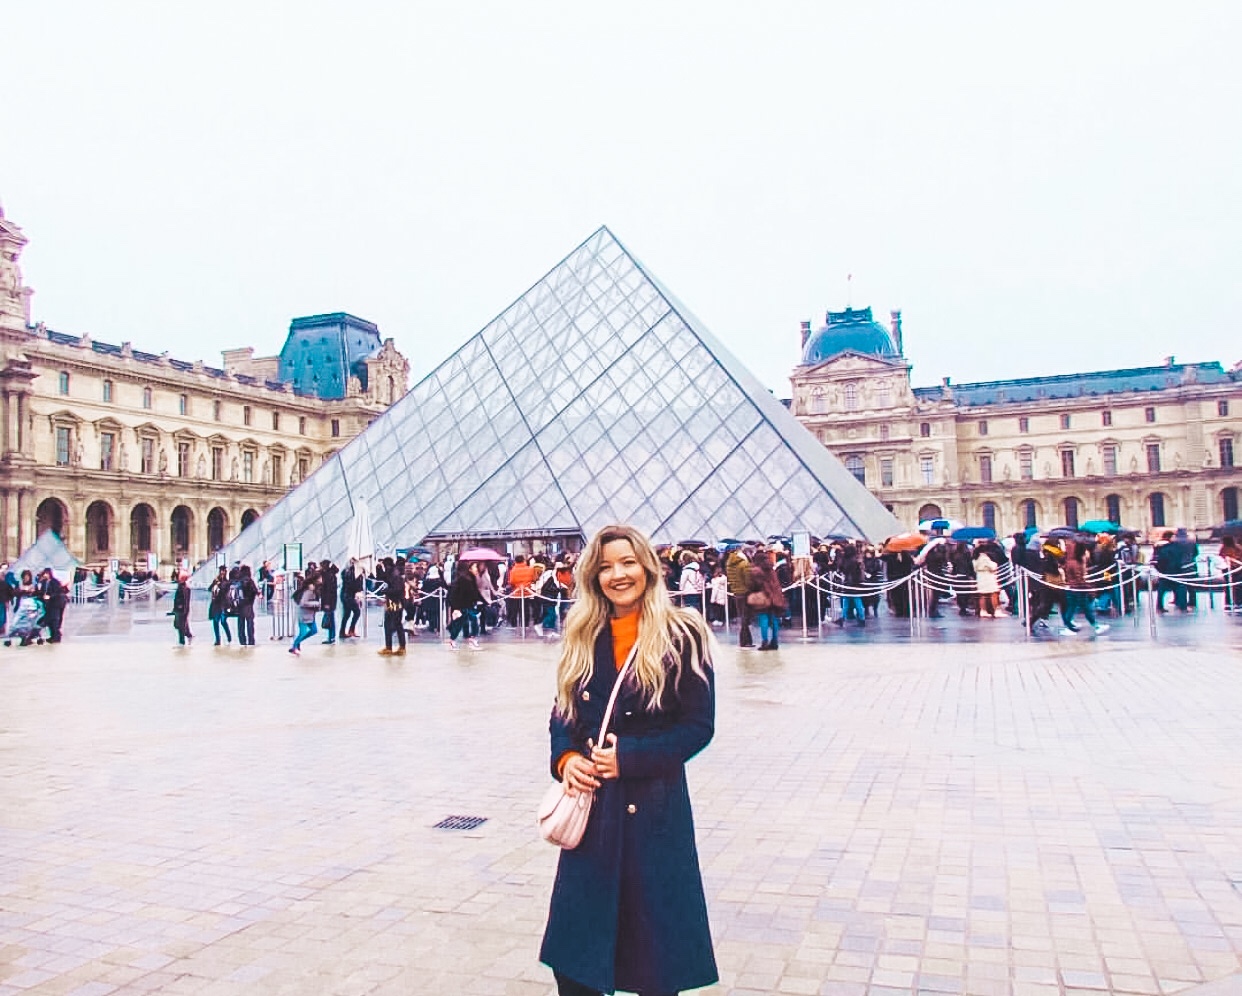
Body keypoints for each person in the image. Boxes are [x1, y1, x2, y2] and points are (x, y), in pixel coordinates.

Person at [540, 524, 717, 996]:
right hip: (595, 816)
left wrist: (630, 758)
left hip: (653, 816)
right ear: (593, 578)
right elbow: (563, 714)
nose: (617, 575)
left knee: (654, 967)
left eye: (627, 562)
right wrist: (566, 758)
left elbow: (698, 726)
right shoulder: (583, 633)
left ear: (648, 568)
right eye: (605, 567)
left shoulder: (682, 634)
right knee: (576, 971)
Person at [1061, 542, 1110, 636]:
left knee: (1073, 608)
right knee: (1084, 608)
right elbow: (1079, 579)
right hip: (1077, 589)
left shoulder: (1071, 561)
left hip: (1073, 588)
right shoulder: (1075, 563)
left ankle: (1068, 626)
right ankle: (1095, 626)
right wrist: (1089, 588)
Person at [748, 549, 787, 650]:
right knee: (774, 619)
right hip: (775, 597)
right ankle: (775, 641)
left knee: (763, 619)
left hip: (763, 597)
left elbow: (754, 585)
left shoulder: (756, 570)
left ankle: (764, 641)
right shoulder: (772, 569)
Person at [446, 561, 483, 650]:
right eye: (475, 567)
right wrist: (456, 607)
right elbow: (459, 594)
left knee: (471, 621)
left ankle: (470, 639)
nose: (476, 569)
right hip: (462, 606)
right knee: (460, 623)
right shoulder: (464, 579)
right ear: (469, 569)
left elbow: (475, 592)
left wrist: (480, 600)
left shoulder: (471, 578)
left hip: (468, 605)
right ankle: (453, 640)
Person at [379, 558, 408, 656]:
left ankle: (399, 647)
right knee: (391, 624)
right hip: (393, 602)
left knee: (395, 624)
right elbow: (383, 577)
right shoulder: (392, 573)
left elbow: (397, 589)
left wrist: (385, 591)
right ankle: (391, 647)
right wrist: (378, 569)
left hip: (396, 602)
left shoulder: (395, 575)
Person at [289, 573, 320, 656]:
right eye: (320, 578)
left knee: (314, 630)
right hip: (303, 615)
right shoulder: (309, 591)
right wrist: (316, 604)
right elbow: (303, 603)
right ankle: (294, 646)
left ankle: (297, 643)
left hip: (310, 615)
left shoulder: (314, 590)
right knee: (303, 632)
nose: (321, 580)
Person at [36, 568, 68, 643]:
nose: (45, 575)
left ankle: (56, 636)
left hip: (56, 603)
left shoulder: (55, 582)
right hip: (48, 604)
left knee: (54, 620)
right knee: (50, 620)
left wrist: (50, 596)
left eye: (46, 573)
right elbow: (42, 591)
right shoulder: (44, 582)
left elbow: (58, 592)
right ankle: (52, 636)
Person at [973, 545, 1000, 618]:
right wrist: (995, 564)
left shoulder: (975, 557)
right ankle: (995, 611)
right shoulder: (985, 557)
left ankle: (983, 611)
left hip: (980, 577)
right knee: (993, 594)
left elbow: (974, 568)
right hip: (988, 577)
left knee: (982, 595)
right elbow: (992, 567)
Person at [208, 566, 233, 645]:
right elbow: (209, 589)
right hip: (215, 604)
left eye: (223, 571)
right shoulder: (216, 580)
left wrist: (220, 584)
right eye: (220, 571)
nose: (222, 573)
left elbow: (225, 592)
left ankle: (229, 637)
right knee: (215, 621)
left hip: (223, 604)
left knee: (223, 621)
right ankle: (217, 639)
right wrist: (214, 583)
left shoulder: (227, 582)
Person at [235, 565, 258, 645]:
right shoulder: (250, 581)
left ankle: (242, 641)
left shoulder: (239, 581)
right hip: (248, 605)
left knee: (241, 625)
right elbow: (255, 591)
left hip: (240, 606)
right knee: (250, 624)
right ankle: (251, 640)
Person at [339, 559, 363, 638]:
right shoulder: (353, 572)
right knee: (357, 612)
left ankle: (343, 631)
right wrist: (358, 591)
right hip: (349, 595)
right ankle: (351, 630)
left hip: (345, 594)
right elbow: (354, 584)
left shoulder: (346, 571)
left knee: (347, 614)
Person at [1221, 536, 1242, 613]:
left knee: (1229, 587)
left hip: (1229, 569)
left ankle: (1229, 603)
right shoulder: (1238, 548)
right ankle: (1237, 603)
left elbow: (1222, 557)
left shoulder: (1224, 548)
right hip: (1237, 569)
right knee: (1237, 587)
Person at [319, 560, 339, 644]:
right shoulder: (331, 574)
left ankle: (331, 637)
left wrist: (327, 603)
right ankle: (331, 637)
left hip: (328, 601)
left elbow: (328, 591)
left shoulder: (328, 576)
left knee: (330, 619)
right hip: (331, 601)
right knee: (331, 619)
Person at [172, 572, 193, 646]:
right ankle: (188, 635)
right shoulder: (180, 586)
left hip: (182, 610)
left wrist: (182, 607)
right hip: (179, 609)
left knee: (181, 626)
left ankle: (182, 641)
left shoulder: (185, 588)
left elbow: (185, 600)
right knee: (178, 625)